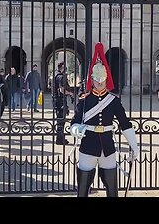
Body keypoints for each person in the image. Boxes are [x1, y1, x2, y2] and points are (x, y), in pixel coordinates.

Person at [69, 42, 139, 197]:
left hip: (107, 147)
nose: (99, 83)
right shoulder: (84, 100)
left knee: (112, 189)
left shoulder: (113, 100)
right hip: (88, 146)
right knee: (83, 188)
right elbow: (74, 122)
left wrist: (134, 146)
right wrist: (76, 130)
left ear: (106, 79)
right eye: (96, 80)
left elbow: (125, 124)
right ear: (92, 79)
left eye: (102, 80)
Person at [53, 62, 72, 145]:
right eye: (65, 67)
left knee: (60, 119)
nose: (66, 69)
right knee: (61, 120)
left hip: (57, 100)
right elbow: (62, 90)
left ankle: (60, 138)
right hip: (60, 100)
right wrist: (70, 93)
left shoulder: (56, 76)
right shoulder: (61, 77)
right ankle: (59, 139)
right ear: (61, 67)